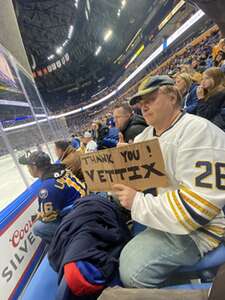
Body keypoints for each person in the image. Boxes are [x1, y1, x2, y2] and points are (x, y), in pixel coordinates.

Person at [113, 75, 225, 288]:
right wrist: (122, 167)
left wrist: (138, 202)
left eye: (151, 100)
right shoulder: (145, 136)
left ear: (172, 97)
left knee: (131, 271)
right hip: (168, 218)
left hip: (200, 229)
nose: (143, 108)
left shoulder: (199, 132)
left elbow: (198, 208)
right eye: (141, 104)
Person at [19, 151, 86, 244]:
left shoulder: (46, 188)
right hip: (85, 204)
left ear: (34, 167)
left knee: (38, 228)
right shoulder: (61, 169)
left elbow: (49, 218)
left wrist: (40, 216)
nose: (28, 170)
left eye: (28, 167)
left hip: (79, 218)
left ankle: (67, 244)